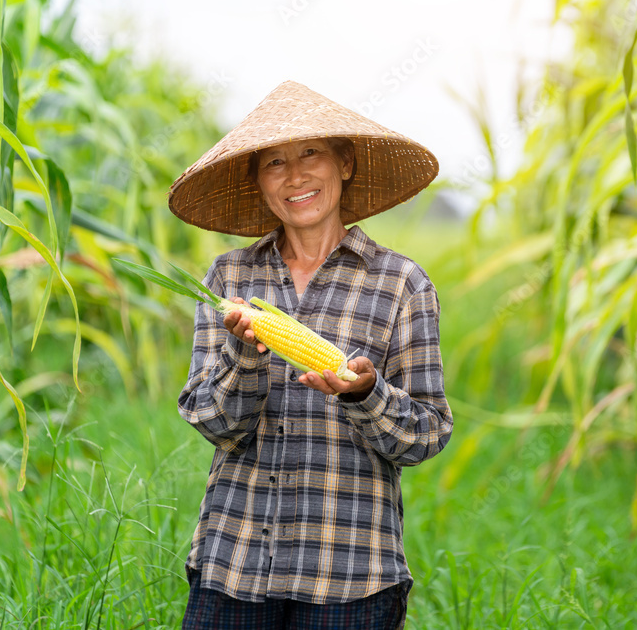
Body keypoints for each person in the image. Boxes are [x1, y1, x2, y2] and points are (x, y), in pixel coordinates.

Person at [167, 81, 453, 629]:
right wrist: (246, 355)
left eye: (310, 154)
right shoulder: (229, 278)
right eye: (274, 162)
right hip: (234, 568)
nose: (295, 176)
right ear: (257, 180)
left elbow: (427, 433)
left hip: (350, 577)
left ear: (344, 163)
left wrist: (366, 393)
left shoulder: (402, 284)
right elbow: (215, 423)